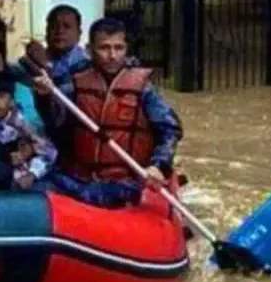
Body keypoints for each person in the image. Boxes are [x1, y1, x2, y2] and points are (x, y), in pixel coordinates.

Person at [33, 17, 183, 208]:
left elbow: (170, 129)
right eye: (104, 48)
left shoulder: (143, 88)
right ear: (89, 50)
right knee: (37, 193)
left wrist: (159, 165)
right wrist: (44, 97)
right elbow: (54, 121)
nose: (112, 55)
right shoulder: (74, 83)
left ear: (126, 49)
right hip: (78, 180)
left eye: (118, 48)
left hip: (125, 182)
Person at [0, 71, 56, 191]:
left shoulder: (21, 124)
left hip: (24, 182)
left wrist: (31, 175)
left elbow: (49, 151)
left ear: (11, 100)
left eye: (1, 96)